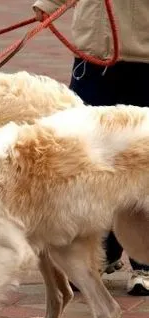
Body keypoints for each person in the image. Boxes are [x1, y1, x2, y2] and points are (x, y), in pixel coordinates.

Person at [32, 0, 149, 295]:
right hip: (94, 55)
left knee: (141, 158)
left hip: (144, 56)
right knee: (88, 155)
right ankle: (99, 253)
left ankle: (143, 262)